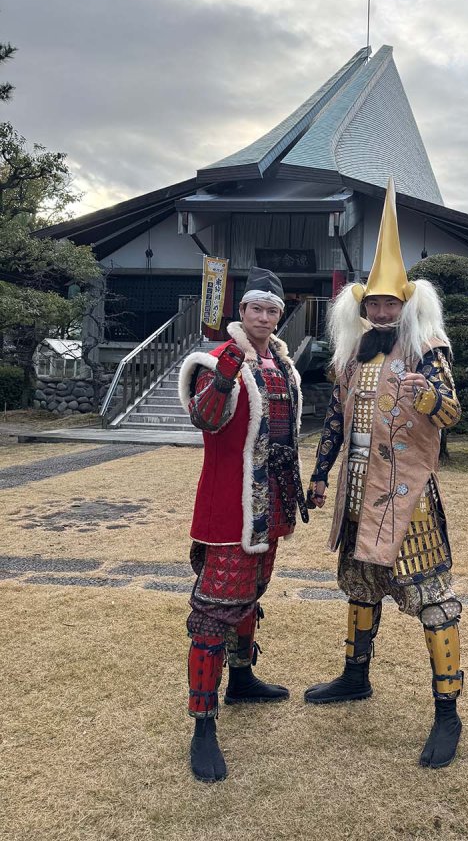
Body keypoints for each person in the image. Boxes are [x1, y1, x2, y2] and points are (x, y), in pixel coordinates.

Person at [304, 178, 464, 768]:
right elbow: (335, 425)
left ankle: (448, 713)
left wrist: (426, 396)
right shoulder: (348, 357)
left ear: (406, 304)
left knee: (432, 599)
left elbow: (453, 413)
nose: (380, 311)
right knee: (360, 583)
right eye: (372, 303)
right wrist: (320, 476)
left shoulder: (430, 349)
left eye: (389, 304)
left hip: (408, 492)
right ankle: (355, 675)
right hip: (354, 486)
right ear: (361, 306)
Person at [178, 266, 306, 783]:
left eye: (273, 310)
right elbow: (205, 418)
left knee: (252, 593)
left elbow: (286, 434)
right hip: (230, 505)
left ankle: (244, 678)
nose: (265, 316)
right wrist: (230, 364)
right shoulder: (215, 359)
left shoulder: (283, 362)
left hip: (271, 501)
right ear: (242, 311)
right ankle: (202, 725)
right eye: (257, 308)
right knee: (214, 612)